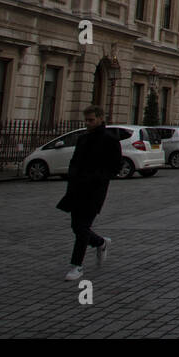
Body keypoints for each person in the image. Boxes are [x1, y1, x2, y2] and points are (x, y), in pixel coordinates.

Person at [57, 105, 121, 281]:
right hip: (77, 188)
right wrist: (72, 176)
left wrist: (98, 177)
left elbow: (116, 167)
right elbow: (74, 161)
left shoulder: (110, 139)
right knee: (76, 227)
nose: (88, 123)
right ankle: (100, 242)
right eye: (86, 120)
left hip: (94, 190)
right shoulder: (83, 139)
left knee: (82, 227)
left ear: (101, 118)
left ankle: (76, 266)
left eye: (91, 120)